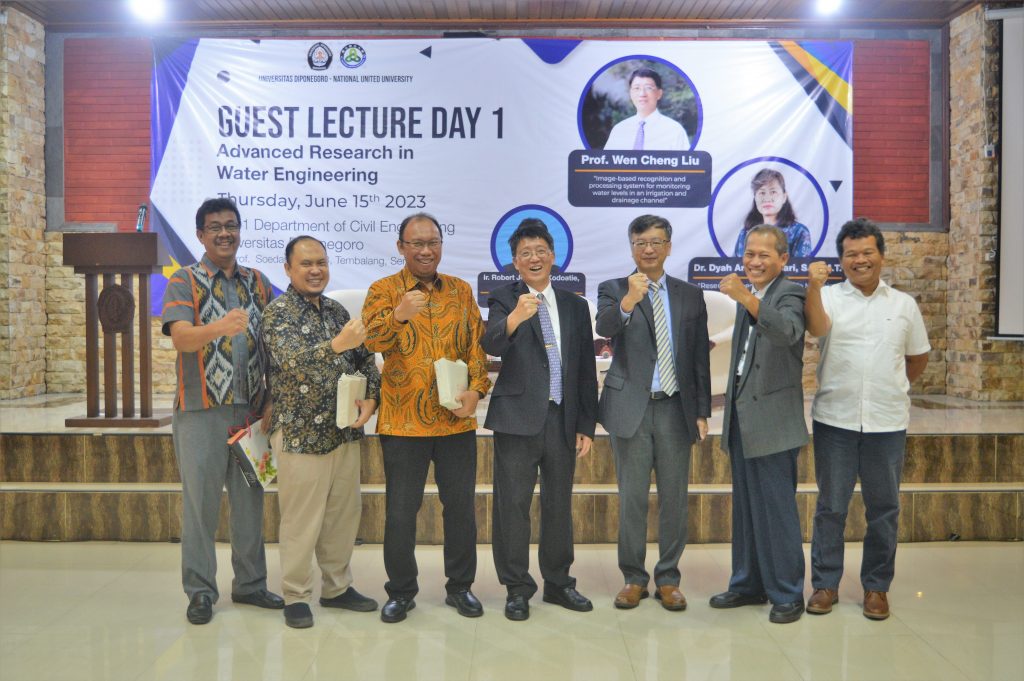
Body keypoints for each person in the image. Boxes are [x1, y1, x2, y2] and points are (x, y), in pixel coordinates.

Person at [362, 212, 492, 623]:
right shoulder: (384, 290)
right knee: (401, 513)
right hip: (403, 423)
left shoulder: (460, 290)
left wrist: (477, 390)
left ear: (441, 245)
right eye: (416, 243)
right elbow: (372, 340)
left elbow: (476, 349)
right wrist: (399, 314)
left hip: (455, 422)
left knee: (461, 509)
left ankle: (461, 587)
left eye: (432, 242)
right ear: (400, 247)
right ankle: (401, 592)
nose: (425, 250)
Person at [161, 197, 283, 625]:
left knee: (251, 501)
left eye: (231, 225)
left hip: (251, 412)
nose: (225, 233)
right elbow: (181, 339)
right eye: (215, 227)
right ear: (200, 235)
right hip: (201, 411)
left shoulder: (258, 282)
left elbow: (274, 344)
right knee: (201, 505)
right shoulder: (184, 281)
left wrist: (271, 399)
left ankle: (251, 584)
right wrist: (220, 328)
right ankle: (200, 592)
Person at [805, 217, 930, 621]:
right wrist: (813, 288)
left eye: (867, 252)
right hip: (835, 421)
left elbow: (917, 358)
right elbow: (816, 329)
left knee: (884, 509)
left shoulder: (903, 305)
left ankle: (877, 587)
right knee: (831, 507)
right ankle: (825, 584)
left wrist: (889, 387)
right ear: (841, 260)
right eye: (851, 254)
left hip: (886, 423)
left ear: (881, 255)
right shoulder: (828, 298)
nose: (859, 260)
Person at [481, 219, 599, 621]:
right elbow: (492, 344)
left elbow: (585, 369)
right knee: (512, 506)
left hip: (563, 419)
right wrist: (516, 316)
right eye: (525, 253)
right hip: (517, 419)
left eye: (540, 251)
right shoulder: (503, 298)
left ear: (553, 256)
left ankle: (559, 582)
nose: (534, 258)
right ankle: (517, 587)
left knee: (558, 504)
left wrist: (586, 424)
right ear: (515, 262)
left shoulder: (575, 305)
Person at [261, 236, 381, 629]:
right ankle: (296, 595)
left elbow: (365, 358)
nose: (316, 270)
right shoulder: (276, 314)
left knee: (343, 516)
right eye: (307, 264)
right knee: (301, 521)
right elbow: (293, 364)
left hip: (343, 431)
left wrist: (372, 397)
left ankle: (337, 588)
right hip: (300, 435)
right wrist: (336, 345)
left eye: (322, 263)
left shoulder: (335, 310)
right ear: (288, 269)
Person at [596, 214, 711, 611]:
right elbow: (606, 326)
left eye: (656, 242)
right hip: (632, 408)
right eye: (640, 242)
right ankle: (633, 578)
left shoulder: (689, 295)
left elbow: (698, 357)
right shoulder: (613, 288)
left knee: (674, 498)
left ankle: (668, 579)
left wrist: (701, 410)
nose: (648, 249)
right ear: (631, 248)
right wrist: (629, 299)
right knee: (632, 498)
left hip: (676, 408)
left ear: (669, 247)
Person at [709, 225, 808, 624]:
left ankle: (787, 592)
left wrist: (745, 297)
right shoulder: (750, 296)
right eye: (749, 254)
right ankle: (748, 583)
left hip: (774, 421)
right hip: (742, 419)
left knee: (777, 511)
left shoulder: (791, 293)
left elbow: (787, 332)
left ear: (784, 259)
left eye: (764, 255)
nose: (754, 261)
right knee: (747, 509)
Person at [603, 68, 690, 151]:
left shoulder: (674, 130)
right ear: (631, 93)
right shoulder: (619, 130)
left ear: (659, 93)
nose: (642, 94)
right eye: (637, 88)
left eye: (648, 88)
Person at [733, 168, 812, 258]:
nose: (767, 198)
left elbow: (802, 265)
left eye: (773, 192)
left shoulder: (799, 232)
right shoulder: (745, 233)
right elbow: (736, 265)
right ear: (755, 198)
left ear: (784, 197)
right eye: (762, 193)